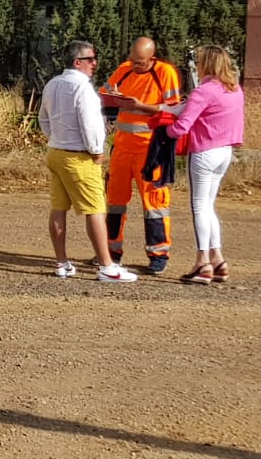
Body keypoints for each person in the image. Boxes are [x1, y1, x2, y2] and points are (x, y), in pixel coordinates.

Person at [40, 40, 137, 283]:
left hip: (56, 152)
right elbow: (90, 124)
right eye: (91, 59)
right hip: (79, 155)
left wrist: (56, 137)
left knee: (58, 207)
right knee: (95, 209)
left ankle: (62, 263)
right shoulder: (83, 89)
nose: (95, 63)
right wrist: (96, 150)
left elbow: (44, 118)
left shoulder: (53, 84)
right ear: (77, 62)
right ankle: (106, 266)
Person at [101, 36, 183, 274]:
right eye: (133, 60)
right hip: (122, 147)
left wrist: (140, 107)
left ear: (152, 57)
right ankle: (110, 251)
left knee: (154, 203)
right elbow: (105, 94)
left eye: (141, 62)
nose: (135, 65)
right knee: (115, 201)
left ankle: (158, 254)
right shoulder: (124, 69)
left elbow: (175, 109)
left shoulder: (165, 72)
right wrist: (114, 100)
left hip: (151, 149)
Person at [166, 45, 245, 285]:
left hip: (203, 152)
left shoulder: (204, 91)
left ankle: (203, 262)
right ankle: (217, 258)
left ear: (206, 65)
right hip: (224, 152)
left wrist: (164, 130)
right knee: (209, 206)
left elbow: (182, 126)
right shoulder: (234, 90)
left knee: (199, 206)